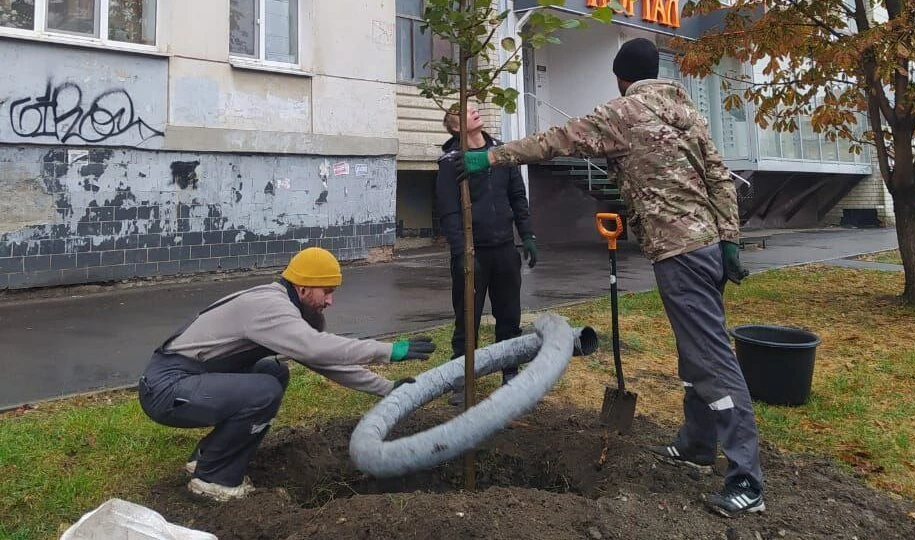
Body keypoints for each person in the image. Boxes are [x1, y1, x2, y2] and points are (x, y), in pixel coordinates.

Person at [451, 37, 763, 517]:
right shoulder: (687, 112)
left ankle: (746, 480)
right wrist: (730, 240)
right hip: (707, 248)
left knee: (712, 360)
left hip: (679, 250)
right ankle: (697, 444)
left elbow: (557, 140)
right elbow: (719, 176)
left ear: (621, 78)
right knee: (695, 352)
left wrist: (489, 157)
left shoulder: (624, 113)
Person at [138, 247, 435, 501]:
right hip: (167, 388)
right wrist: (387, 350)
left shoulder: (282, 304)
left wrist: (386, 388)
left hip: (186, 381)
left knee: (273, 372)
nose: (330, 301)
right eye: (327, 292)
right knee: (263, 390)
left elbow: (323, 361)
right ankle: (213, 481)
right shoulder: (270, 307)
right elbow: (318, 348)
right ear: (304, 288)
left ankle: (207, 459)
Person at [435, 102, 537, 405]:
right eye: (466, 111)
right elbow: (449, 211)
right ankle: (462, 380)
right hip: (472, 252)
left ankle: (510, 373)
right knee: (467, 318)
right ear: (455, 127)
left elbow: (517, 195)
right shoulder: (451, 162)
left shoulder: (501, 153)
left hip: (505, 248)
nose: (475, 110)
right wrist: (460, 253)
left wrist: (527, 234)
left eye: (475, 107)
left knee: (509, 316)